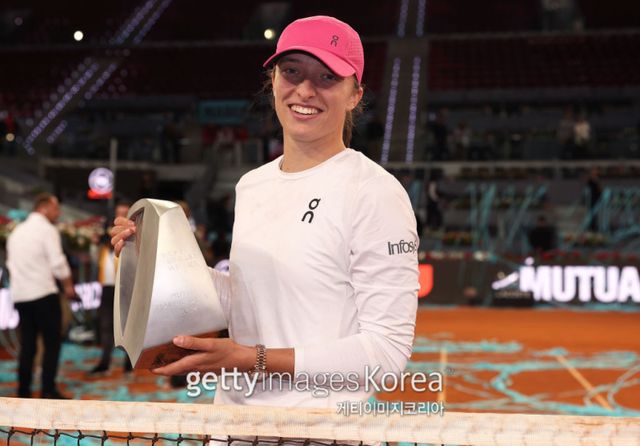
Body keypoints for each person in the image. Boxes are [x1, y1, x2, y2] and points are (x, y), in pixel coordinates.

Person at [111, 16, 419, 409]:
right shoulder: (251, 185)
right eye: (292, 72)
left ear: (355, 95)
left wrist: (252, 359)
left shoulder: (375, 192)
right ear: (273, 81)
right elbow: (245, 299)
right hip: (234, 423)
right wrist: (154, 262)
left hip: (320, 428)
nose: (305, 90)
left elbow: (386, 355)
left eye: (327, 77)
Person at [6, 193, 76, 399]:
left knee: (27, 345)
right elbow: (58, 263)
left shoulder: (16, 232)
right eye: (56, 209)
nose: (58, 213)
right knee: (51, 344)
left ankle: (23, 391)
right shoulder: (47, 230)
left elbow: (11, 265)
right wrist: (69, 286)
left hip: (21, 297)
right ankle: (48, 390)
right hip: (44, 294)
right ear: (44, 208)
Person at [89, 202, 132, 375]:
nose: (120, 216)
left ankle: (129, 363)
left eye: (124, 213)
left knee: (127, 326)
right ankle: (105, 362)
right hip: (107, 288)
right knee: (106, 326)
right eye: (118, 213)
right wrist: (94, 244)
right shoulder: (105, 240)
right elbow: (95, 260)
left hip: (126, 287)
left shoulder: (133, 237)